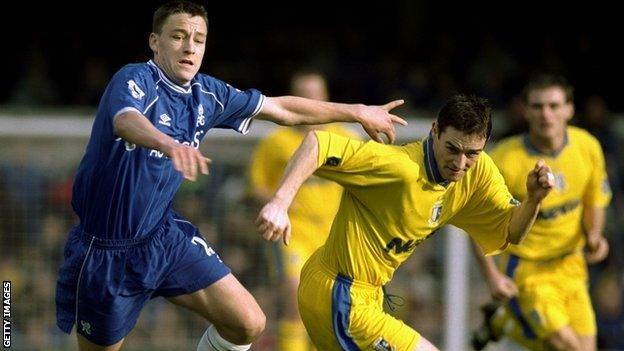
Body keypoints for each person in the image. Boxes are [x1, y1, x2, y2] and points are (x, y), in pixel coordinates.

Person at [54, 1, 407, 350]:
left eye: (199, 39)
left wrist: (357, 111)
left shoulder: (207, 94)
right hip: (105, 251)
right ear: (154, 42)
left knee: (248, 323)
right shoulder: (134, 79)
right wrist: (169, 144)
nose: (190, 47)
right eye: (178, 36)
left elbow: (282, 107)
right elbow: (125, 120)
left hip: (163, 238)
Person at [256, 94, 555, 350]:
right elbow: (316, 143)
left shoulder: (479, 173)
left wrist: (534, 199)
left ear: (484, 145)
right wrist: (280, 202)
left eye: (472, 154)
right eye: (452, 148)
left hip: (363, 296)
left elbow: (513, 231)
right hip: (339, 294)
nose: (460, 163)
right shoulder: (399, 167)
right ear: (435, 131)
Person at [470, 75, 612, 351]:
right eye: (537, 106)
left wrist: (595, 236)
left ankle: (504, 321)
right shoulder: (504, 159)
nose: (546, 114)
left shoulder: (587, 147)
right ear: (525, 110)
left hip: (572, 265)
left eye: (554, 105)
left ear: (569, 109)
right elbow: (477, 223)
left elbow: (595, 198)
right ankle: (512, 317)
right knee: (569, 348)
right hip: (526, 269)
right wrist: (492, 277)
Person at [247, 70, 359, 351]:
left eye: (315, 95)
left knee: (336, 309)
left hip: (336, 235)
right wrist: (278, 198)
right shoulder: (276, 143)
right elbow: (256, 186)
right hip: (293, 233)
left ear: (325, 98)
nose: (310, 101)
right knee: (295, 300)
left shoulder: (346, 138)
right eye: (303, 95)